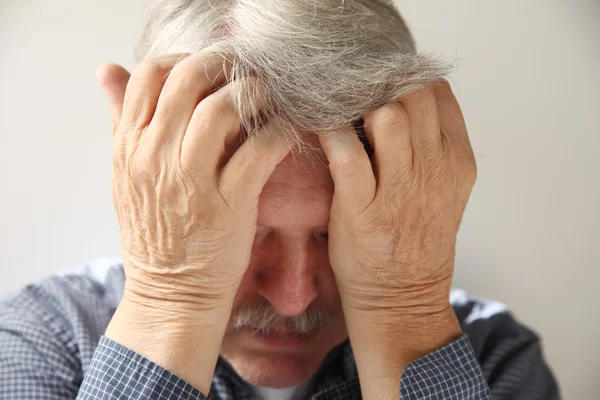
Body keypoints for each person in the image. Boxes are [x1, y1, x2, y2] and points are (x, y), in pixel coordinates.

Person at [0, 0, 560, 399]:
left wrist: (403, 308)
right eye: (242, 233)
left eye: (331, 234)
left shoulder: (493, 357)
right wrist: (174, 300)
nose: (293, 298)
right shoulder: (45, 339)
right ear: (141, 176)